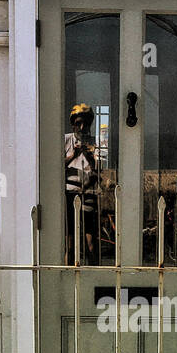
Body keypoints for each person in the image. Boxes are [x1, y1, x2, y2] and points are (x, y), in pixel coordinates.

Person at [64, 104, 100, 263]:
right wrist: (73, 155)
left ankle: (93, 276)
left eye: (85, 123)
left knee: (90, 243)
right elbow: (55, 166)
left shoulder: (96, 142)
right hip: (69, 193)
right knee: (69, 243)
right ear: (73, 124)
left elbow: (100, 169)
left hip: (89, 193)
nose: (82, 127)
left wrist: (90, 156)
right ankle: (67, 276)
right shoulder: (66, 140)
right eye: (78, 123)